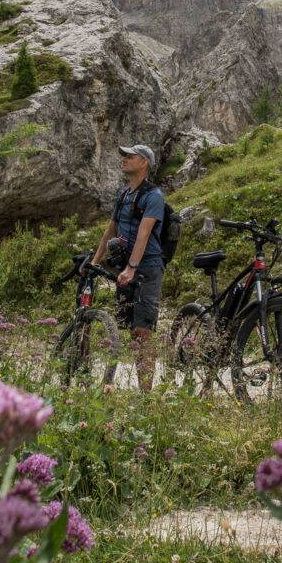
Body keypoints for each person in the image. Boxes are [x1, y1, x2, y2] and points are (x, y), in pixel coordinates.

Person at [88, 144, 165, 392]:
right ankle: (139, 388)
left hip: (148, 268)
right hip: (125, 267)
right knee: (130, 330)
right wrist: (93, 262)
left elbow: (143, 233)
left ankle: (146, 397)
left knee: (143, 332)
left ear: (144, 162)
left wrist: (132, 267)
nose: (123, 159)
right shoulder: (122, 195)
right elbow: (110, 231)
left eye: (129, 156)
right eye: (123, 156)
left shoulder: (154, 196)